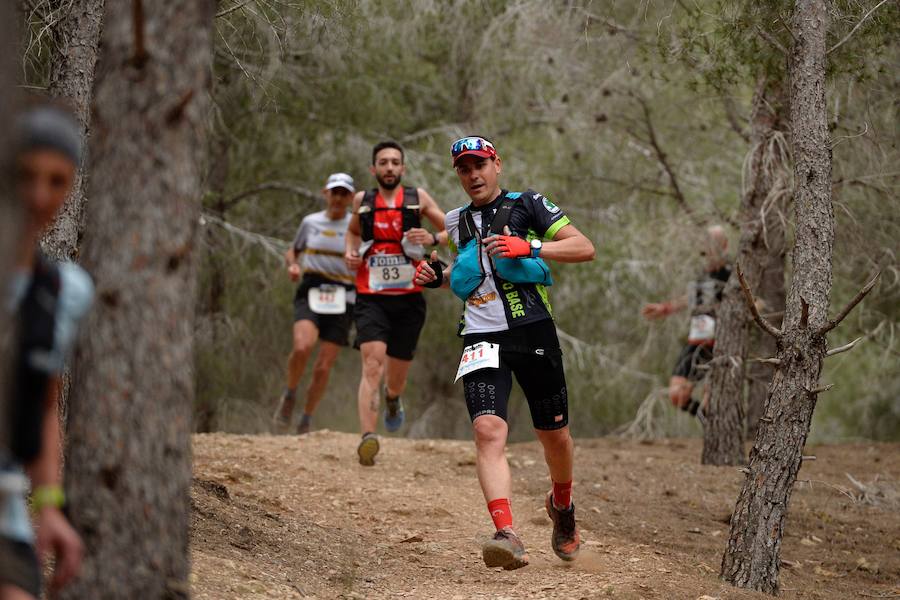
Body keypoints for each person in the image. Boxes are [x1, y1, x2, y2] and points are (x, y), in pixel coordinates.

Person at [413, 136, 595, 570]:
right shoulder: (457, 222)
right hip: (479, 337)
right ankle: (506, 533)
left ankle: (563, 508)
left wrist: (529, 246)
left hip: (532, 330)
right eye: (463, 168)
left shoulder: (528, 203)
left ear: (497, 165)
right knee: (488, 431)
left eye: (480, 165)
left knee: (555, 437)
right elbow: (471, 275)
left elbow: (584, 248)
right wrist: (434, 275)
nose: (473, 175)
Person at [1, 106, 93, 600]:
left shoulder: (61, 292)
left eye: (57, 181)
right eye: (26, 176)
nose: (40, 195)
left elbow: (42, 403)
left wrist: (50, 506)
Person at [343, 141, 446, 466]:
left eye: (394, 162)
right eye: (383, 162)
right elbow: (352, 232)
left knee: (396, 375)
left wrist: (431, 238)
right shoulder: (363, 201)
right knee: (372, 365)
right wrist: (350, 252)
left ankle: (393, 398)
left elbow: (454, 229)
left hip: (410, 297)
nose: (389, 167)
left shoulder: (418, 199)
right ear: (374, 169)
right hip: (371, 296)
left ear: (402, 169)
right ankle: (367, 437)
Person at [272, 173, 357, 435]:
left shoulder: (356, 226)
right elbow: (293, 251)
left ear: (351, 197)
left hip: (344, 295)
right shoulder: (310, 222)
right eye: (335, 192)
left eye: (344, 193)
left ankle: (306, 418)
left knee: (322, 367)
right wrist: (293, 265)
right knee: (302, 347)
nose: (339, 198)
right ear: (326, 194)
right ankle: (290, 393)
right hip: (312, 288)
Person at [641, 225, 731, 416]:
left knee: (712, 395)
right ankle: (708, 420)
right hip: (696, 340)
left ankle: (716, 426)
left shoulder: (731, 274)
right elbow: (691, 298)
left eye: (713, 243)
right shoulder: (702, 273)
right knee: (677, 395)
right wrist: (665, 308)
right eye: (706, 244)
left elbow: (754, 304)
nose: (708, 249)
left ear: (724, 246)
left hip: (719, 343)